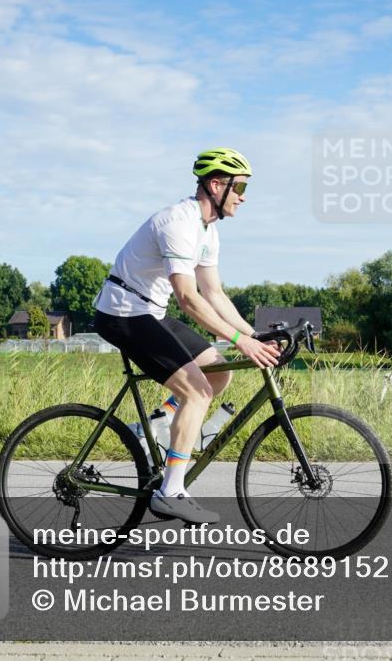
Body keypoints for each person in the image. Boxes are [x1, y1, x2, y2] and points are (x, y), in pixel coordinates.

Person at [93, 148, 279, 524]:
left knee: (219, 371)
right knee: (198, 391)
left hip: (152, 311)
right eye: (239, 186)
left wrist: (252, 334)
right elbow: (189, 299)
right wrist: (241, 340)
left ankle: (158, 427)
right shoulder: (178, 222)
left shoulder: (207, 231)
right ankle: (170, 491)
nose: (243, 196)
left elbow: (214, 294)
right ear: (216, 185)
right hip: (123, 313)